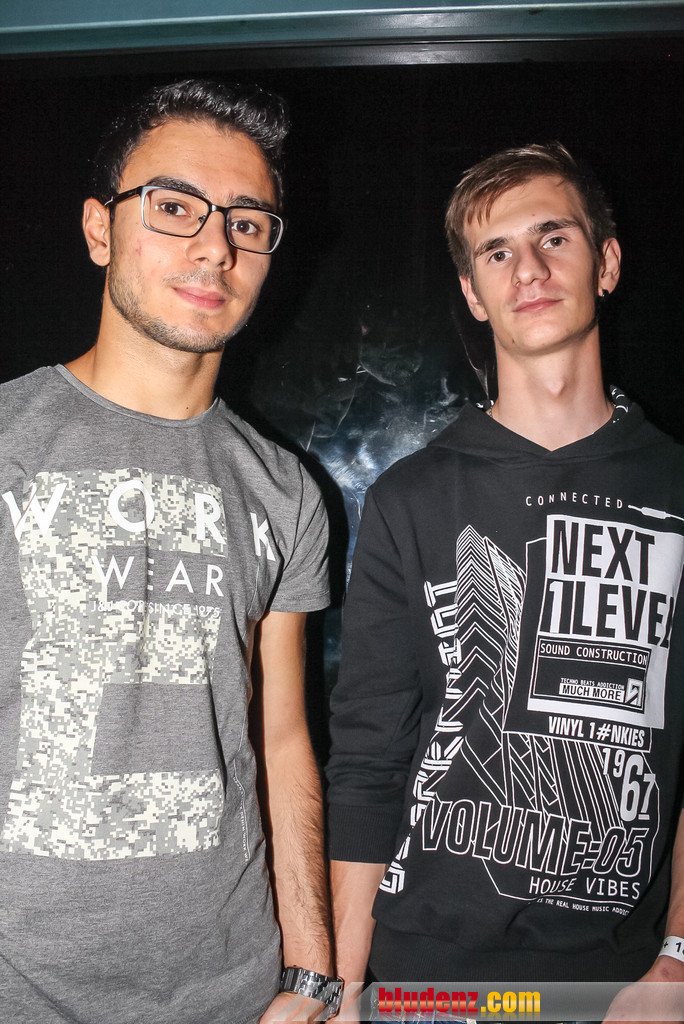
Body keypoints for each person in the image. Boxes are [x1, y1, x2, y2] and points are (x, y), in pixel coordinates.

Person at [0, 79, 342, 1024]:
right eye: (174, 206)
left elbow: (282, 740)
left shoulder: (284, 490)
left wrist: (311, 969)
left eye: (246, 222)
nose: (214, 246)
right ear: (99, 230)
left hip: (231, 991)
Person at [326, 143, 684, 1008]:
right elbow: (369, 760)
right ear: (473, 293)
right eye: (497, 252)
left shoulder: (678, 489)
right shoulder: (410, 498)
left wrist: (678, 961)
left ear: (607, 264)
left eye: (553, 237)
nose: (528, 268)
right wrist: (340, 988)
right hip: (426, 985)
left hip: (620, 988)